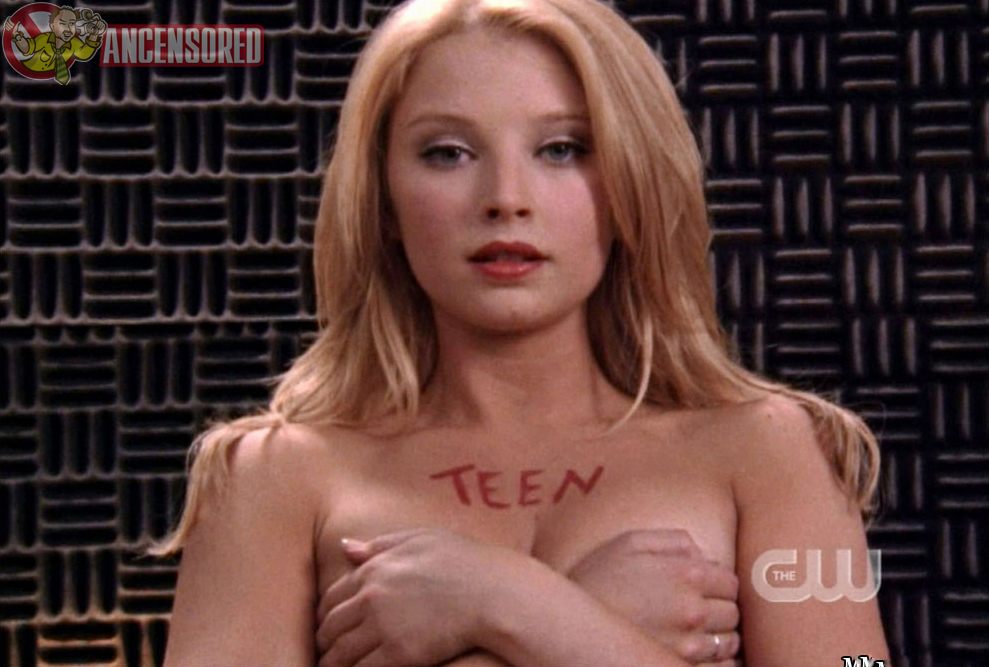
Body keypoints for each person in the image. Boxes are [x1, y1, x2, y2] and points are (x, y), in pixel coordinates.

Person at [146, 0, 891, 665]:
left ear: (631, 180)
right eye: (448, 153)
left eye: (561, 149)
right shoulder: (272, 478)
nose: (505, 199)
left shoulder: (771, 451)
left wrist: (501, 600)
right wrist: (584, 623)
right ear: (382, 199)